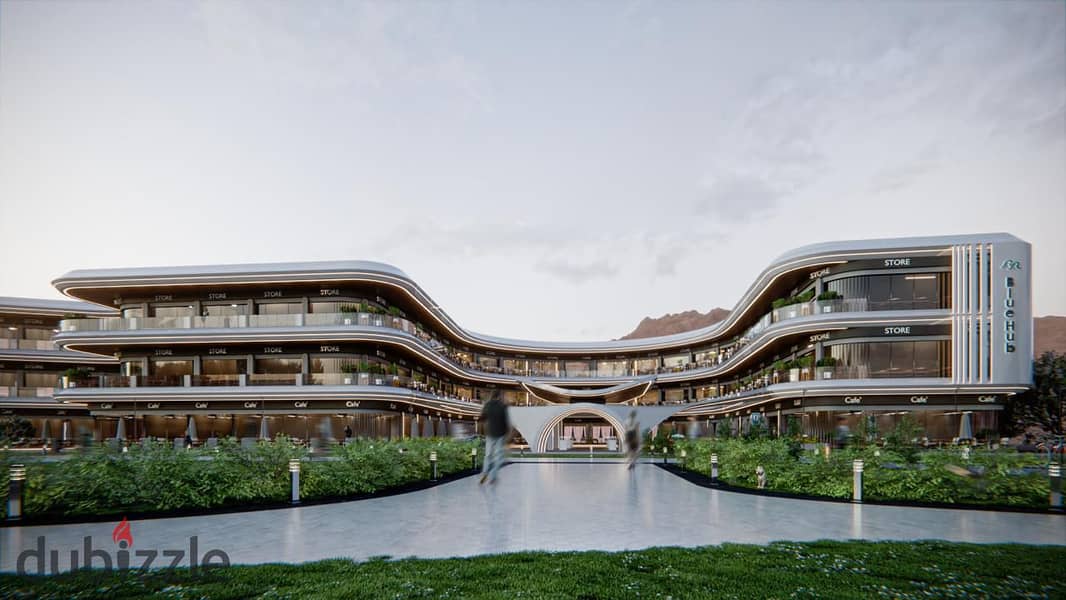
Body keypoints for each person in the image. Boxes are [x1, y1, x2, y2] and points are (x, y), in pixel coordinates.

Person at [479, 391, 510, 484]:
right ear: (499, 396)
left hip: (490, 433)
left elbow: (482, 418)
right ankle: (493, 476)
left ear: (492, 396)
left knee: (488, 455)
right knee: (498, 457)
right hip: (500, 434)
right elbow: (506, 422)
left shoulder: (487, 405)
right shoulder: (503, 406)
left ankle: (485, 473)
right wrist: (505, 434)